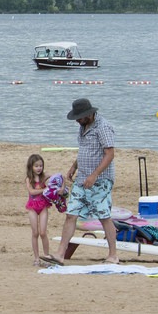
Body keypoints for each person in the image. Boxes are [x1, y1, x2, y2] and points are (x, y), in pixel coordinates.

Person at [54, 97, 119, 266]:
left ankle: (113, 255)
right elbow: (85, 150)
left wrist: (95, 175)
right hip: (82, 178)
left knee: (104, 216)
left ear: (89, 114)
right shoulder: (83, 127)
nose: (77, 121)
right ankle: (60, 254)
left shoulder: (103, 127)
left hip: (101, 180)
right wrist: (74, 166)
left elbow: (109, 154)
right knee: (71, 214)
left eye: (80, 117)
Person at [25, 154, 56, 266]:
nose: (39, 168)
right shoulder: (29, 179)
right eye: (36, 166)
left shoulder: (44, 177)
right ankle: (36, 258)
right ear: (31, 167)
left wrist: (57, 186)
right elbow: (32, 192)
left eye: (41, 166)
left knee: (43, 232)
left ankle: (47, 256)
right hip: (32, 207)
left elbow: (57, 177)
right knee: (35, 232)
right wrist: (45, 189)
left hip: (43, 206)